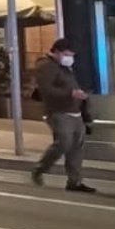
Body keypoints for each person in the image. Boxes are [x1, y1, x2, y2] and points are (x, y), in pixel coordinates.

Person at [31, 39, 95, 193]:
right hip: (58, 112)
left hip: (75, 112)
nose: (70, 58)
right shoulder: (46, 66)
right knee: (64, 142)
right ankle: (40, 168)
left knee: (76, 148)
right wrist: (71, 93)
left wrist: (82, 102)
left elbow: (71, 86)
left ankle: (75, 181)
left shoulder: (65, 67)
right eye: (67, 54)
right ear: (58, 52)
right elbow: (47, 91)